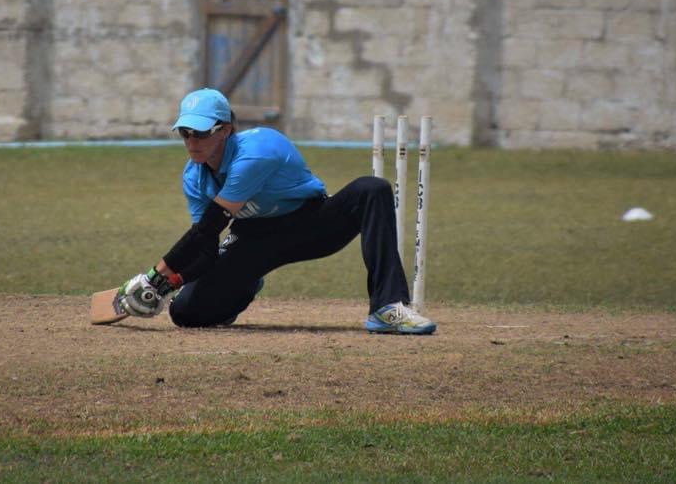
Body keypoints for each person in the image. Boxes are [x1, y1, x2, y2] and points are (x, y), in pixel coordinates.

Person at [117, 88, 436, 334]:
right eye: (185, 133)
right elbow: (205, 247)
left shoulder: (257, 152)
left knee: (372, 189)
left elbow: (209, 227)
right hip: (254, 241)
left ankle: (387, 307)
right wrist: (169, 284)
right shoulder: (194, 177)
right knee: (185, 314)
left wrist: (153, 277)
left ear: (225, 130)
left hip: (311, 225)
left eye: (200, 133)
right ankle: (241, 288)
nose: (191, 141)